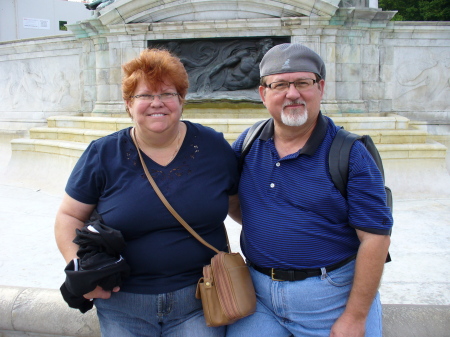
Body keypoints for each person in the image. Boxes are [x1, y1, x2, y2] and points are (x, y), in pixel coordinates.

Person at [55, 48, 239, 337]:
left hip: (200, 301)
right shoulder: (103, 153)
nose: (157, 103)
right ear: (129, 104)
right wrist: (80, 268)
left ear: (181, 101)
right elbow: (68, 215)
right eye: (145, 95)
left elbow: (239, 205)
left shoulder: (213, 147)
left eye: (167, 94)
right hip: (123, 306)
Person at [227, 43, 393, 337]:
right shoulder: (249, 142)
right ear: (264, 93)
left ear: (321, 87)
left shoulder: (350, 153)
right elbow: (238, 205)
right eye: (280, 85)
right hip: (258, 299)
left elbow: (376, 239)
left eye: (303, 83)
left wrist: (355, 317)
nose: (293, 94)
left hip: (330, 299)